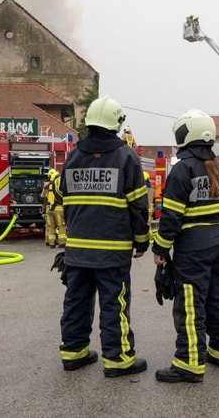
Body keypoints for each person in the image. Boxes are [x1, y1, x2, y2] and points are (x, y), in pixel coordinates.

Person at [54, 95, 150, 377]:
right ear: (116, 123)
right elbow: (138, 205)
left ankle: (74, 353)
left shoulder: (73, 156)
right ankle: (119, 360)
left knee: (76, 303)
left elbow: (62, 196)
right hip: (112, 251)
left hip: (78, 250)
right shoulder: (125, 156)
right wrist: (142, 240)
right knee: (114, 305)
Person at [152, 109, 219, 383]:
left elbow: (172, 218)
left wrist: (160, 249)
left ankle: (189, 363)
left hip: (194, 248)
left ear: (186, 135)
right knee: (216, 299)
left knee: (190, 306)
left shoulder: (182, 169)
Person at [42, 168, 66, 248]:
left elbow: (43, 196)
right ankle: (62, 243)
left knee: (50, 226)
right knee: (61, 226)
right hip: (58, 208)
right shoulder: (58, 183)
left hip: (49, 209)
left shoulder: (46, 185)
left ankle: (51, 243)